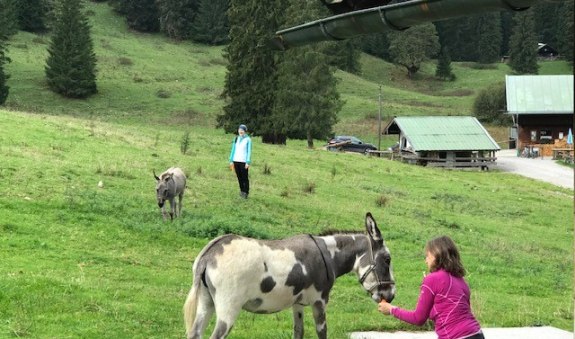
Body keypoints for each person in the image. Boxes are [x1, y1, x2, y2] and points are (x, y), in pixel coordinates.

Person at [378, 236, 484, 339]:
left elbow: (418, 318)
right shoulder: (462, 281)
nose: (426, 260)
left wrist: (391, 309)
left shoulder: (433, 279)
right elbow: (449, 311)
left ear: (437, 255)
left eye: (427, 256)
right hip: (477, 333)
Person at [229, 124, 252, 199]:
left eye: (242, 130)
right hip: (236, 160)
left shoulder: (248, 139)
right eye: (239, 130)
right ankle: (242, 190)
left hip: (243, 161)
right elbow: (233, 150)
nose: (240, 131)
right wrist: (231, 160)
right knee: (239, 177)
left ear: (245, 131)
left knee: (244, 177)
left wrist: (247, 162)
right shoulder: (236, 139)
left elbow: (249, 151)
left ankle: (246, 192)